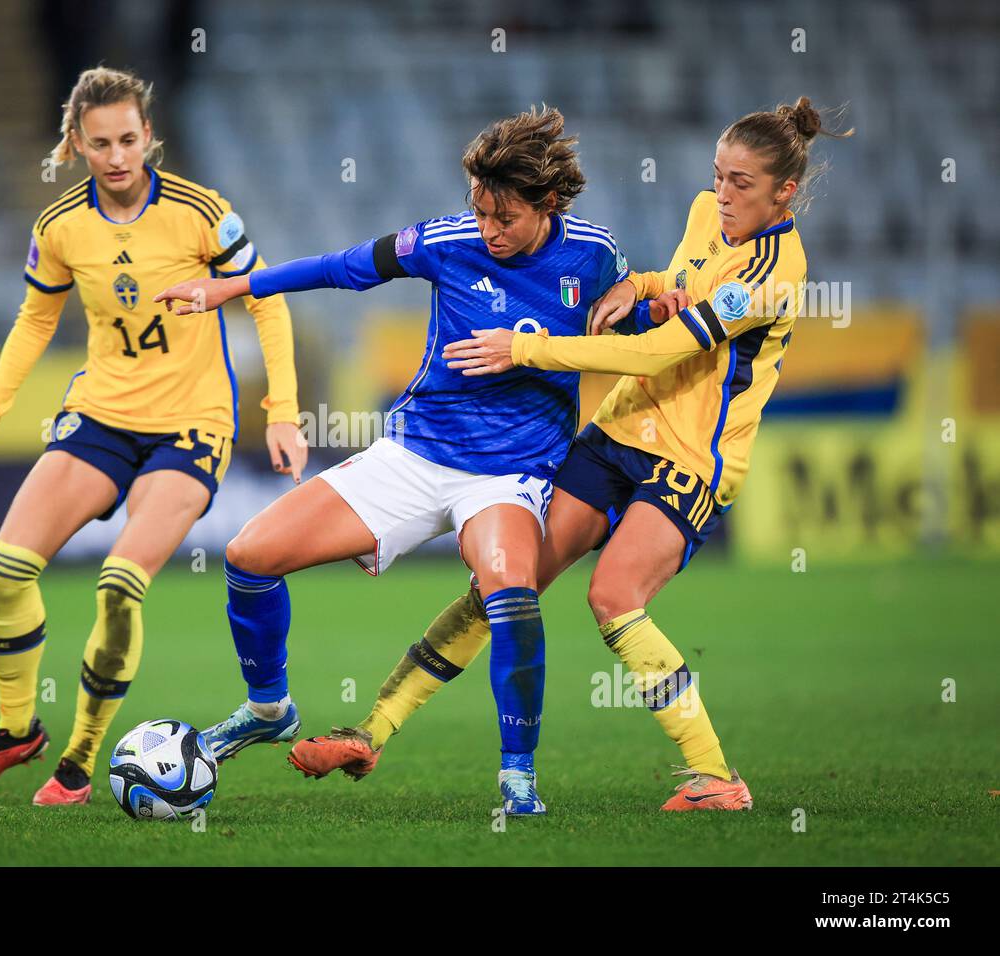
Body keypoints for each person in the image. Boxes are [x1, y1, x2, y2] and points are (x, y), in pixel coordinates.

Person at [293, 97, 849, 813]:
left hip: (690, 461)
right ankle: (372, 731)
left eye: (742, 184)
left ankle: (717, 778)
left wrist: (525, 348)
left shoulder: (776, 269)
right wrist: (637, 285)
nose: (723, 195)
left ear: (785, 192)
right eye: (718, 175)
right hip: (617, 433)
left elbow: (655, 351)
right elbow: (674, 289)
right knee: (505, 589)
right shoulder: (704, 216)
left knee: (614, 597)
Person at [158, 106, 635, 814]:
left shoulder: (592, 255)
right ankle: (267, 710)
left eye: (504, 217)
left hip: (513, 473)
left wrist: (639, 288)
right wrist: (231, 287)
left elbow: (654, 300)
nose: (488, 230)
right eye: (480, 212)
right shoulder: (447, 240)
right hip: (414, 455)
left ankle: (517, 778)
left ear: (549, 204)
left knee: (510, 589)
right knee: (248, 554)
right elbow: (343, 268)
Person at [0, 66, 306, 806]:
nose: (116, 156)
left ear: (150, 138)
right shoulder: (60, 227)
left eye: (129, 140)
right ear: (76, 143)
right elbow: (35, 319)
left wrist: (285, 410)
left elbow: (265, 301)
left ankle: (78, 760)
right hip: (100, 417)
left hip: (191, 425)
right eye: (100, 142)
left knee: (118, 585)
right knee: (7, 569)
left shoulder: (203, 213)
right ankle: (16, 731)